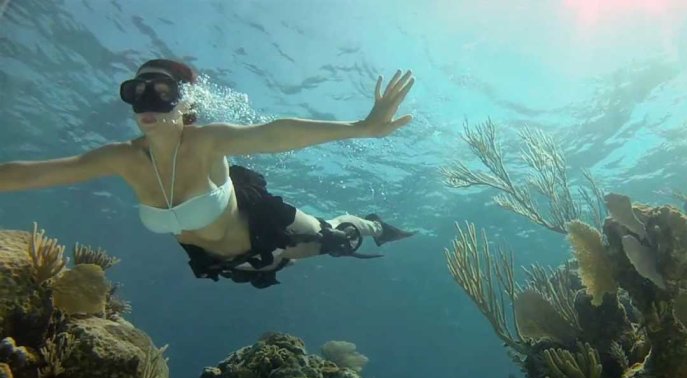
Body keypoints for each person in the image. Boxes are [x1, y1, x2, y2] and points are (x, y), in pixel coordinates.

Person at [0, 59, 417, 288]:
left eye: (162, 92)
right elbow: (32, 174)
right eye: (137, 91)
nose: (147, 101)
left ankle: (369, 223)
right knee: (284, 265)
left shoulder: (205, 141)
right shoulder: (122, 157)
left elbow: (276, 133)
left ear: (186, 104)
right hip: (230, 264)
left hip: (265, 228)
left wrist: (361, 128)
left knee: (334, 240)